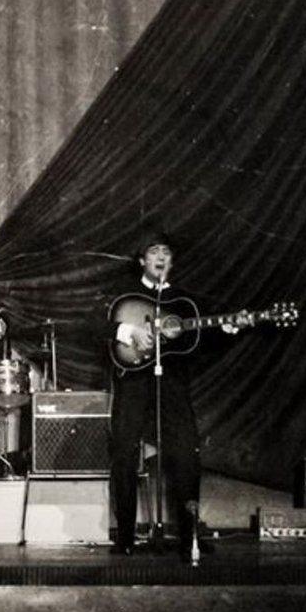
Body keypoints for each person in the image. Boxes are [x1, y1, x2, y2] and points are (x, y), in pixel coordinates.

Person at [106, 231, 248, 560]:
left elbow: (202, 344)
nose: (160, 257)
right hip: (133, 383)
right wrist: (129, 331)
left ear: (171, 261)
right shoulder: (123, 296)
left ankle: (188, 538)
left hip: (172, 385)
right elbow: (92, 326)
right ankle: (125, 537)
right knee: (124, 454)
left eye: (166, 252)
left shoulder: (185, 302)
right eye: (153, 251)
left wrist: (229, 329)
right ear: (142, 260)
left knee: (186, 456)